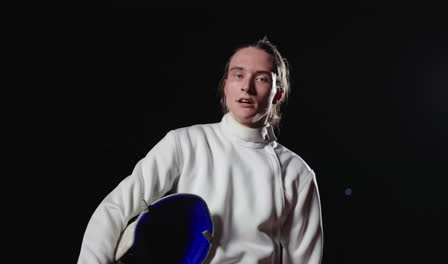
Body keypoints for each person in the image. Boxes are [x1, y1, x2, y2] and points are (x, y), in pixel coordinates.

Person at [77, 37, 323, 263]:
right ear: (226, 85)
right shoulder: (185, 143)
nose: (246, 87)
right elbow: (115, 208)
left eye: (261, 78)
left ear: (277, 93)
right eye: (238, 75)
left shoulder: (297, 173)